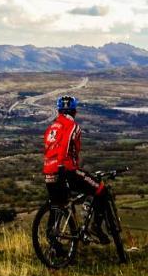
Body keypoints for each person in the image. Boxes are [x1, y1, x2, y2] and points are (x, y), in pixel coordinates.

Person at [43, 95, 109, 242]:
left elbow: (48, 148)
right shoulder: (72, 126)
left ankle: (53, 242)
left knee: (57, 204)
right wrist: (61, 165)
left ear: (59, 110)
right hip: (66, 170)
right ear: (74, 111)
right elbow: (66, 145)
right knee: (101, 190)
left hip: (48, 172)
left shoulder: (51, 127)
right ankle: (96, 227)